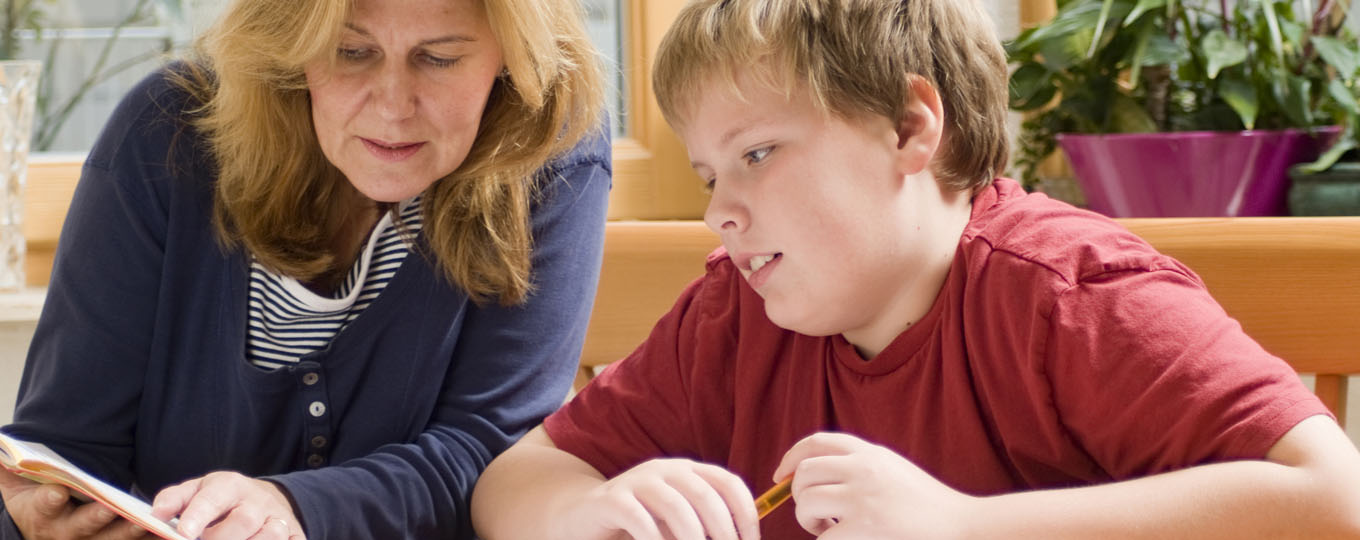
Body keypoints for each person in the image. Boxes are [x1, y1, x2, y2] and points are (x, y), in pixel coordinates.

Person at [469, 0, 1360, 538]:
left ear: (908, 129)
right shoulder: (733, 314)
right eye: (708, 176)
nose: (719, 211)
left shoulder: (1066, 293)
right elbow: (518, 479)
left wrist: (964, 525)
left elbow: (1333, 498)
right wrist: (582, 513)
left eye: (757, 154)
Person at [0, 0, 609, 537]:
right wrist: (33, 517)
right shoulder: (168, 131)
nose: (393, 106)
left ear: (513, 58)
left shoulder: (550, 143)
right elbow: (63, 450)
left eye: (440, 58)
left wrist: (291, 506)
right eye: (351, 52)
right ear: (288, 46)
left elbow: (494, 455)